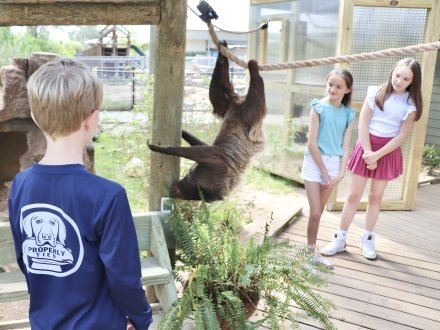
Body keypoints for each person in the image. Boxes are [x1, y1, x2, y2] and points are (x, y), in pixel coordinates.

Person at [7, 58, 153, 329]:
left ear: (36, 117)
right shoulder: (109, 196)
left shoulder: (20, 186)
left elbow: (27, 261)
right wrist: (142, 319)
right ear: (92, 118)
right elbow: (123, 278)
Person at [320, 58, 423, 260]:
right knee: (352, 196)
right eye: (397, 75)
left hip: (387, 151)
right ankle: (340, 238)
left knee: (375, 197)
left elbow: (401, 136)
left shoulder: (411, 104)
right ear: (392, 72)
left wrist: (377, 155)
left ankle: (367, 238)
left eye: (405, 78)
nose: (399, 81)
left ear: (413, 81)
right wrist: (369, 154)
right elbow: (363, 123)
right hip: (366, 146)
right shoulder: (375, 93)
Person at [301, 69, 356, 269]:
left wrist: (340, 172)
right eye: (330, 84)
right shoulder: (318, 107)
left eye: (338, 86)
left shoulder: (349, 114)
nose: (333, 89)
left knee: (319, 212)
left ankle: (312, 255)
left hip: (334, 164)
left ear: (347, 90)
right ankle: (309, 255)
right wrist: (324, 172)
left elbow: (346, 146)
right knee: (315, 212)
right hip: (315, 163)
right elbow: (311, 144)